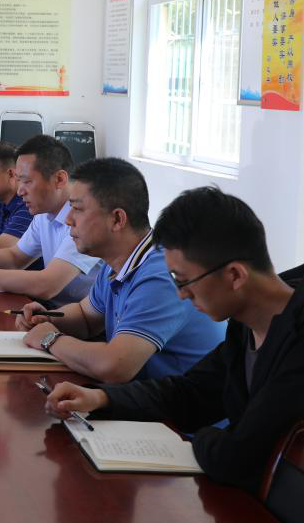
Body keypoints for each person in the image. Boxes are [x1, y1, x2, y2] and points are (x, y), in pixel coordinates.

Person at [44, 187, 304, 490]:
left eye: (183, 280)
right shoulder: (249, 321)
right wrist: (102, 397)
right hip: (286, 502)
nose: (180, 294)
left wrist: (199, 439)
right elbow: (193, 393)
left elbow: (242, 457)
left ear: (234, 275)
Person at [14, 158, 225, 381]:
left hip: (179, 403)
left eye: (77, 209)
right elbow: (86, 317)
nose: (68, 220)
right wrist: (46, 319)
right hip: (142, 395)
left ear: (117, 219)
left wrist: (50, 339)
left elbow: (115, 365)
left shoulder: (160, 274)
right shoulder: (117, 262)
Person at [0, 135, 100, 306]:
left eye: (27, 181)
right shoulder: (43, 213)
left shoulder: (85, 219)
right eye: (19, 181)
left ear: (59, 179)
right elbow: (14, 258)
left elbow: (47, 285)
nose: (20, 191)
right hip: (49, 309)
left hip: (79, 317)